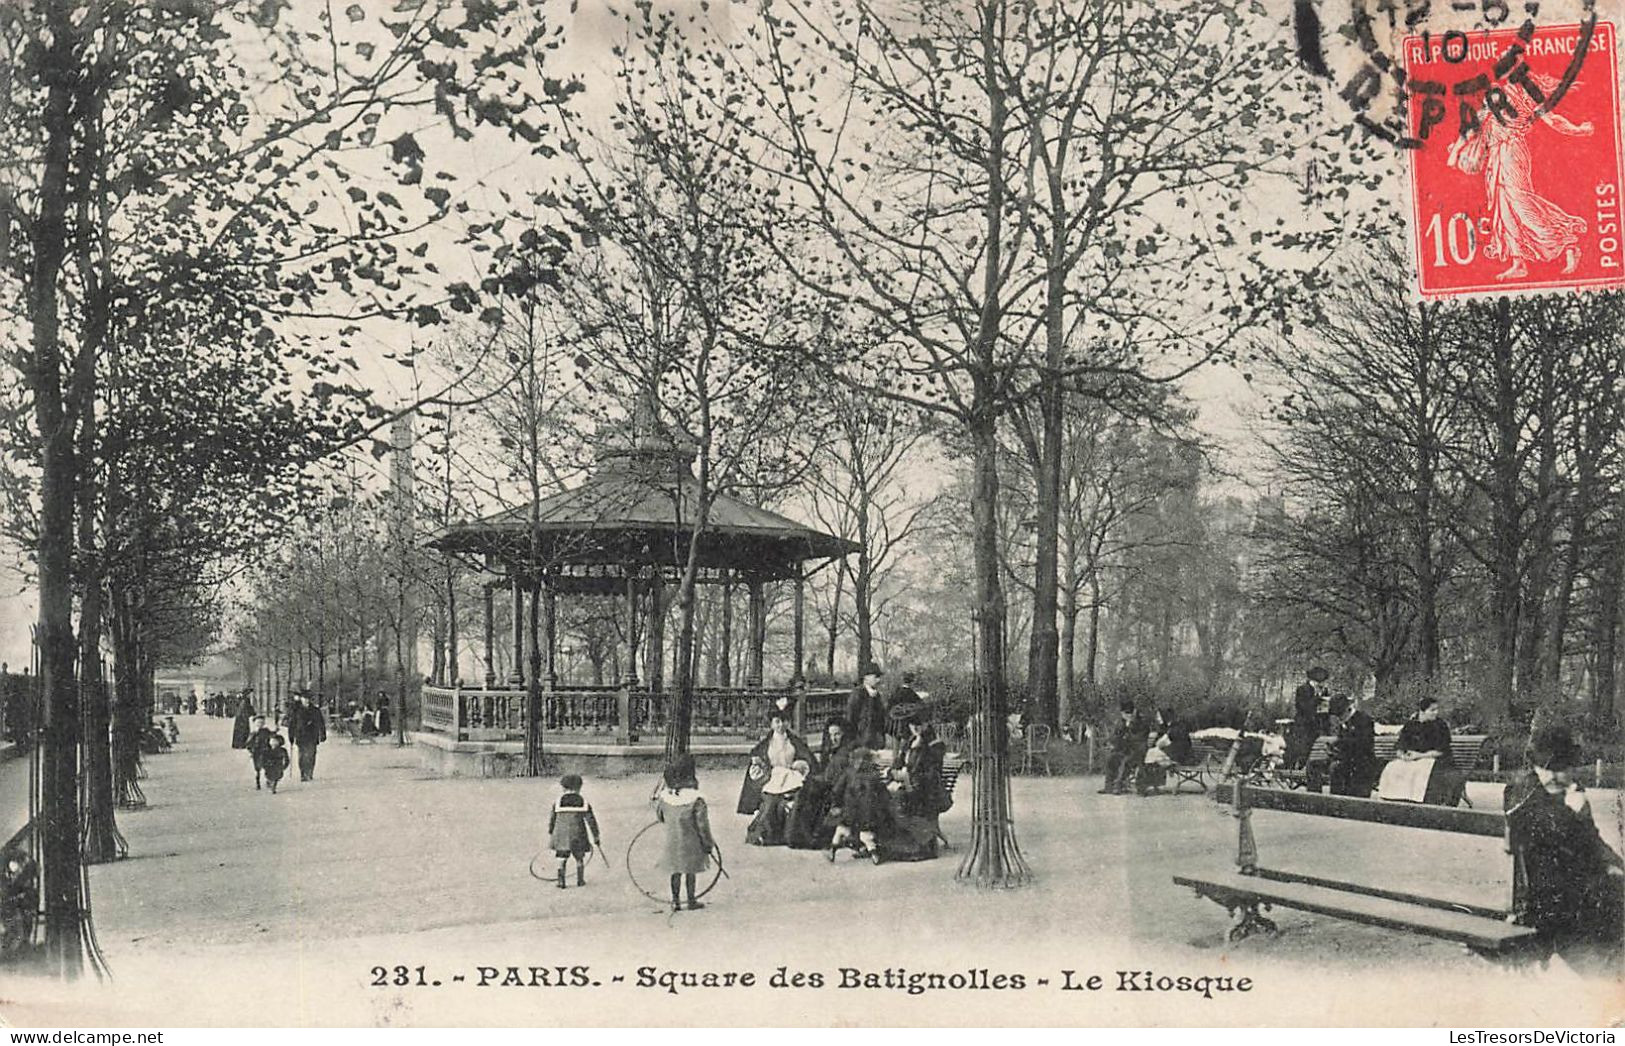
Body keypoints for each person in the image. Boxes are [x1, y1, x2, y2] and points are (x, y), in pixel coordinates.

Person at [1503, 724, 1624, 973]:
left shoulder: (1570, 792)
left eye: (1563, 769)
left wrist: (1615, 863)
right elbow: (1543, 837)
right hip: (1544, 892)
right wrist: (1574, 811)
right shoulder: (1523, 792)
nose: (1556, 777)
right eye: (1548, 770)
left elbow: (1593, 839)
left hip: (1574, 885)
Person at [1448, 75, 1593, 280]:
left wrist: (1577, 130)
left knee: (1521, 203)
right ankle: (1518, 262)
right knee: (1504, 211)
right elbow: (1469, 133)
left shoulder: (1523, 97)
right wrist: (1455, 153)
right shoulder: (1487, 106)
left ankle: (1568, 242)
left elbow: (1551, 119)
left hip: (1513, 151)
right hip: (1495, 160)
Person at [738, 707, 815, 846]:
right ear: (772, 724)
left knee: (793, 801)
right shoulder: (766, 745)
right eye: (777, 721)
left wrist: (801, 764)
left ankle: (790, 834)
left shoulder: (794, 742)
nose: (781, 725)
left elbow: (806, 758)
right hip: (773, 777)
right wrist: (759, 765)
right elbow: (759, 762)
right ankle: (765, 835)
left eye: (785, 721)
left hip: (792, 776)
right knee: (771, 802)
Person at [653, 754, 716, 913]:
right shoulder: (696, 799)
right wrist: (708, 844)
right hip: (691, 842)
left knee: (675, 870)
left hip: (673, 841)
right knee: (690, 870)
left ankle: (675, 901)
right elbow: (702, 825)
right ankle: (691, 899)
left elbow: (660, 816)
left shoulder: (665, 797)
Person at [1378, 697, 1463, 805]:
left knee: (1421, 770)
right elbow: (1400, 745)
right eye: (1432, 710)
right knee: (1394, 767)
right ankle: (1395, 799)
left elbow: (1442, 750)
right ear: (1422, 711)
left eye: (1437, 709)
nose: (1436, 713)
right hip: (1412, 759)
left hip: (1435, 760)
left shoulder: (1440, 725)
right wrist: (1402, 755)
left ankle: (1417, 800)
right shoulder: (1411, 725)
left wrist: (1419, 755)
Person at [786, 718, 854, 850]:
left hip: (837, 791)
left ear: (844, 734)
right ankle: (798, 836)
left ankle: (805, 837)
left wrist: (815, 780)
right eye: (831, 735)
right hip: (829, 786)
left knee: (807, 793)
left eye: (837, 734)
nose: (833, 738)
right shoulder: (834, 751)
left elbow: (832, 778)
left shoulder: (844, 754)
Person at [829, 747, 893, 863]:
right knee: (867, 834)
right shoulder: (873, 775)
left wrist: (836, 804)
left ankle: (833, 850)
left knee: (842, 830)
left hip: (850, 811)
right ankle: (874, 853)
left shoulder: (848, 773)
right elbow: (884, 794)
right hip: (867, 813)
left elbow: (837, 790)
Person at [548, 774, 602, 889]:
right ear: (579, 787)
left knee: (561, 857)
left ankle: (561, 881)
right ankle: (580, 880)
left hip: (561, 835)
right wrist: (596, 836)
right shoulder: (583, 802)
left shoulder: (558, 802)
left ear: (563, 787)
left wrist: (551, 831)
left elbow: (552, 818)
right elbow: (591, 821)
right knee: (579, 857)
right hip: (578, 834)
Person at [1327, 695, 1378, 797]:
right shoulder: (1345, 723)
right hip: (1347, 762)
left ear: (1348, 710)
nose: (1340, 719)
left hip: (1362, 763)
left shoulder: (1364, 720)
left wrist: (1342, 745)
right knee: (1335, 769)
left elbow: (1364, 745)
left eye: (1341, 716)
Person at [1138, 709, 1193, 795]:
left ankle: (1145, 785)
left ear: (1166, 717)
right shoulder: (1169, 726)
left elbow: (1161, 743)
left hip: (1179, 756)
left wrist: (1159, 744)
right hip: (1174, 753)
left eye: (1159, 716)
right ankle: (1148, 784)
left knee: (1151, 756)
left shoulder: (1175, 728)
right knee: (1152, 756)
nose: (1158, 718)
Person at [1099, 703, 1147, 795]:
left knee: (1126, 761)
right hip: (1125, 749)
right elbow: (1116, 736)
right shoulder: (1121, 723)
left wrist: (1130, 725)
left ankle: (1119, 786)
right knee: (1111, 758)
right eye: (1125, 714)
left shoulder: (1141, 722)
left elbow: (1138, 739)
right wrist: (1111, 742)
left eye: (1129, 713)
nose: (1127, 716)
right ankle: (1108, 786)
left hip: (1138, 751)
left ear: (1134, 712)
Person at [846, 663, 888, 750]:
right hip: (861, 740)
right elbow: (851, 718)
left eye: (879, 677)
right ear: (866, 677)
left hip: (876, 741)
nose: (878, 680)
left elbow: (881, 719)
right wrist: (853, 740)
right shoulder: (858, 694)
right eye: (875, 677)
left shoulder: (877, 695)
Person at [289, 693, 327, 783]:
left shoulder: (315, 710)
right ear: (301, 699)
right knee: (302, 756)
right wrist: (291, 736)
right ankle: (303, 773)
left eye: (308, 699)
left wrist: (323, 734)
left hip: (312, 735)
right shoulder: (296, 711)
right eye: (304, 698)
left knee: (311, 754)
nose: (306, 700)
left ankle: (309, 772)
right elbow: (292, 724)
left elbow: (321, 723)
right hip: (301, 735)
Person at [244, 715, 274, 791]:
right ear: (255, 724)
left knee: (268, 767)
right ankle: (258, 782)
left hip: (266, 751)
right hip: (257, 753)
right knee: (257, 768)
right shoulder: (254, 733)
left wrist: (276, 732)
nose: (260, 724)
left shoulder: (266, 731)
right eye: (258, 723)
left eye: (261, 722)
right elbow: (248, 743)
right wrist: (251, 750)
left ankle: (269, 780)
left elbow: (272, 735)